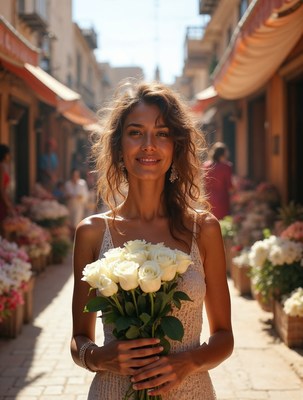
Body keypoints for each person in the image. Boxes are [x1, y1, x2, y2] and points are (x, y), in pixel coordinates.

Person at [70, 81, 233, 399]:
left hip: (192, 392)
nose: (149, 144)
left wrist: (187, 362)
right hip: (112, 391)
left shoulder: (204, 229)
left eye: (162, 133)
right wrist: (99, 357)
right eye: (135, 132)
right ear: (118, 147)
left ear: (176, 145)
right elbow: (79, 339)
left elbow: (224, 337)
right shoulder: (91, 232)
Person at [203, 142, 234, 220]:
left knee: (209, 222)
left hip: (208, 199)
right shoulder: (226, 167)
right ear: (223, 154)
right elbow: (230, 186)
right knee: (221, 223)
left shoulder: (206, 166)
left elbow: (203, 183)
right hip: (222, 201)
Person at [65, 168, 89, 234]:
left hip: (78, 207)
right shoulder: (68, 184)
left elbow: (85, 195)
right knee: (69, 224)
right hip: (70, 206)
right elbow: (66, 195)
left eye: (76, 175)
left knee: (76, 223)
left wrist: (80, 197)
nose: (75, 177)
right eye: (73, 175)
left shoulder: (82, 183)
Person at [0, 144, 15, 227]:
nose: (9, 156)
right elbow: (1, 188)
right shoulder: (1, 167)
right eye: (8, 154)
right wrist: (7, 204)